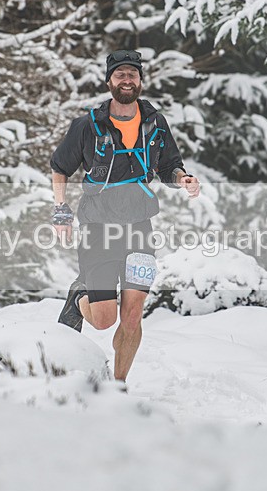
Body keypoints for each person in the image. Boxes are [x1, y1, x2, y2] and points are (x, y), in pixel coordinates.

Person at [50, 50, 200, 383]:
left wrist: (182, 179)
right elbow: (60, 168)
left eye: (133, 74)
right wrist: (61, 210)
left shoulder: (156, 123)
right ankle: (81, 296)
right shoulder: (88, 125)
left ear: (141, 82)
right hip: (98, 228)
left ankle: (118, 386)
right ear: (109, 82)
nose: (127, 80)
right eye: (120, 75)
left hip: (139, 228)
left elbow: (168, 166)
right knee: (104, 319)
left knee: (132, 316)